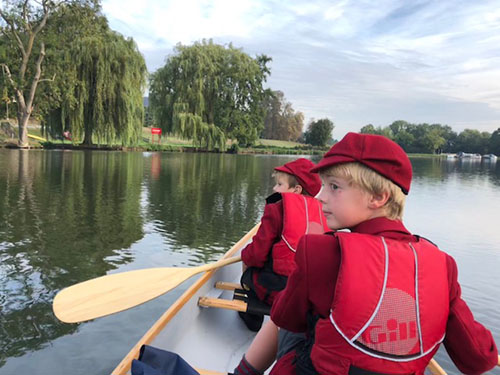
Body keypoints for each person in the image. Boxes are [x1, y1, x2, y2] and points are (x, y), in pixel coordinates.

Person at [268, 132, 498, 375]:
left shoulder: (319, 251)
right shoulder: (443, 265)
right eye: (323, 185)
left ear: (378, 197)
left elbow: (285, 318)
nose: (320, 197)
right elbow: (479, 359)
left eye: (334, 187)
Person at [238, 158, 329, 332]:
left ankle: (252, 317)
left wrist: (245, 255)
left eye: (279, 184)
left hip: (278, 290)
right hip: (309, 294)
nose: (274, 189)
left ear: (296, 189)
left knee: (248, 264)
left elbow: (256, 255)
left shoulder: (277, 208)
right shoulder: (324, 212)